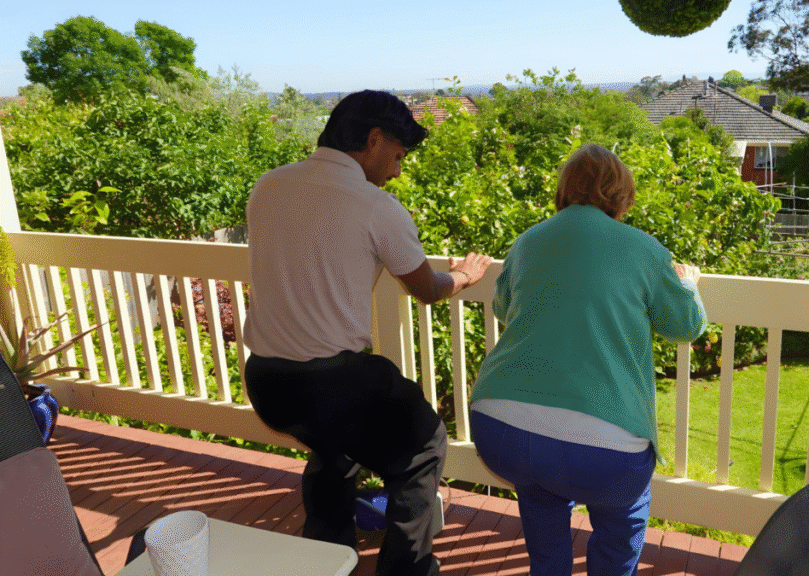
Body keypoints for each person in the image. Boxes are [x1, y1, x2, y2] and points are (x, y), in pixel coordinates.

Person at [242, 90, 492, 576]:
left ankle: (326, 559)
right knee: (424, 445)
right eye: (397, 156)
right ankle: (407, 569)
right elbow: (427, 289)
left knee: (334, 448)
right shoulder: (375, 206)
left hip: (268, 382)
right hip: (332, 382)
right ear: (374, 140)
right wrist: (464, 275)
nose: (397, 171)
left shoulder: (268, 185)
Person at [469, 143, 707, 576]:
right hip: (605, 449)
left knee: (541, 495)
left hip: (501, 426)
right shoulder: (643, 248)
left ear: (563, 190)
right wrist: (688, 285)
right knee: (622, 520)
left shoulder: (527, 241)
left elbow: (504, 308)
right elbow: (685, 325)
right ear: (622, 194)